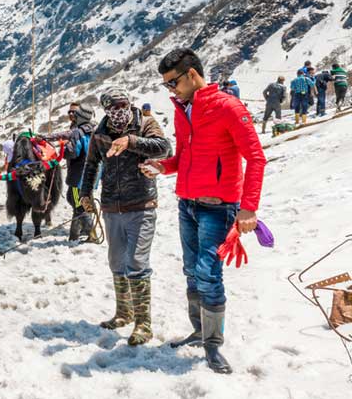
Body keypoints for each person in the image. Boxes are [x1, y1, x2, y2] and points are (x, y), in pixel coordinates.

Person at [143, 48, 266, 374]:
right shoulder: (184, 110)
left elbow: (255, 158)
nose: (171, 90)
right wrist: (163, 167)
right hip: (188, 205)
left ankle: (213, 346)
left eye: (173, 83)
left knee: (209, 274)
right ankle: (199, 331)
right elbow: (184, 156)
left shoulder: (227, 107)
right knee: (191, 271)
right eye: (167, 85)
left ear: (192, 75)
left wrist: (248, 208)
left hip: (219, 208)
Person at [79, 88, 171, 346]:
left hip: (141, 204)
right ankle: (124, 312)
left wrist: (131, 141)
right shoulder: (100, 134)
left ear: (129, 104)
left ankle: (144, 323)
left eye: (122, 105)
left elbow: (165, 148)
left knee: (137, 261)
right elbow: (91, 165)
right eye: (113, 107)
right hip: (111, 205)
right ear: (106, 109)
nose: (118, 112)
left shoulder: (146, 124)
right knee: (117, 260)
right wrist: (85, 193)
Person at [37, 102, 98, 242]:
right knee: (79, 200)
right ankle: (75, 234)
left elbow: (73, 153)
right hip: (92, 173)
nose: (73, 115)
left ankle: (91, 233)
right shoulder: (94, 128)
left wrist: (66, 148)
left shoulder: (78, 132)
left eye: (75, 113)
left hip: (79, 176)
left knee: (76, 201)